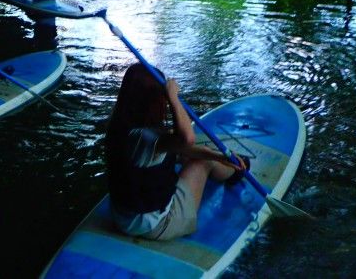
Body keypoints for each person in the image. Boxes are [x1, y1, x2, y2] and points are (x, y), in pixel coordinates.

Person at [104, 63, 250, 241]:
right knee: (202, 162)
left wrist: (220, 156)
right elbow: (188, 139)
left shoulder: (118, 127)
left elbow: (181, 148)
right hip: (155, 225)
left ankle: (231, 167)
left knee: (193, 156)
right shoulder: (148, 138)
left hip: (121, 217)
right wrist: (174, 97)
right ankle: (236, 173)